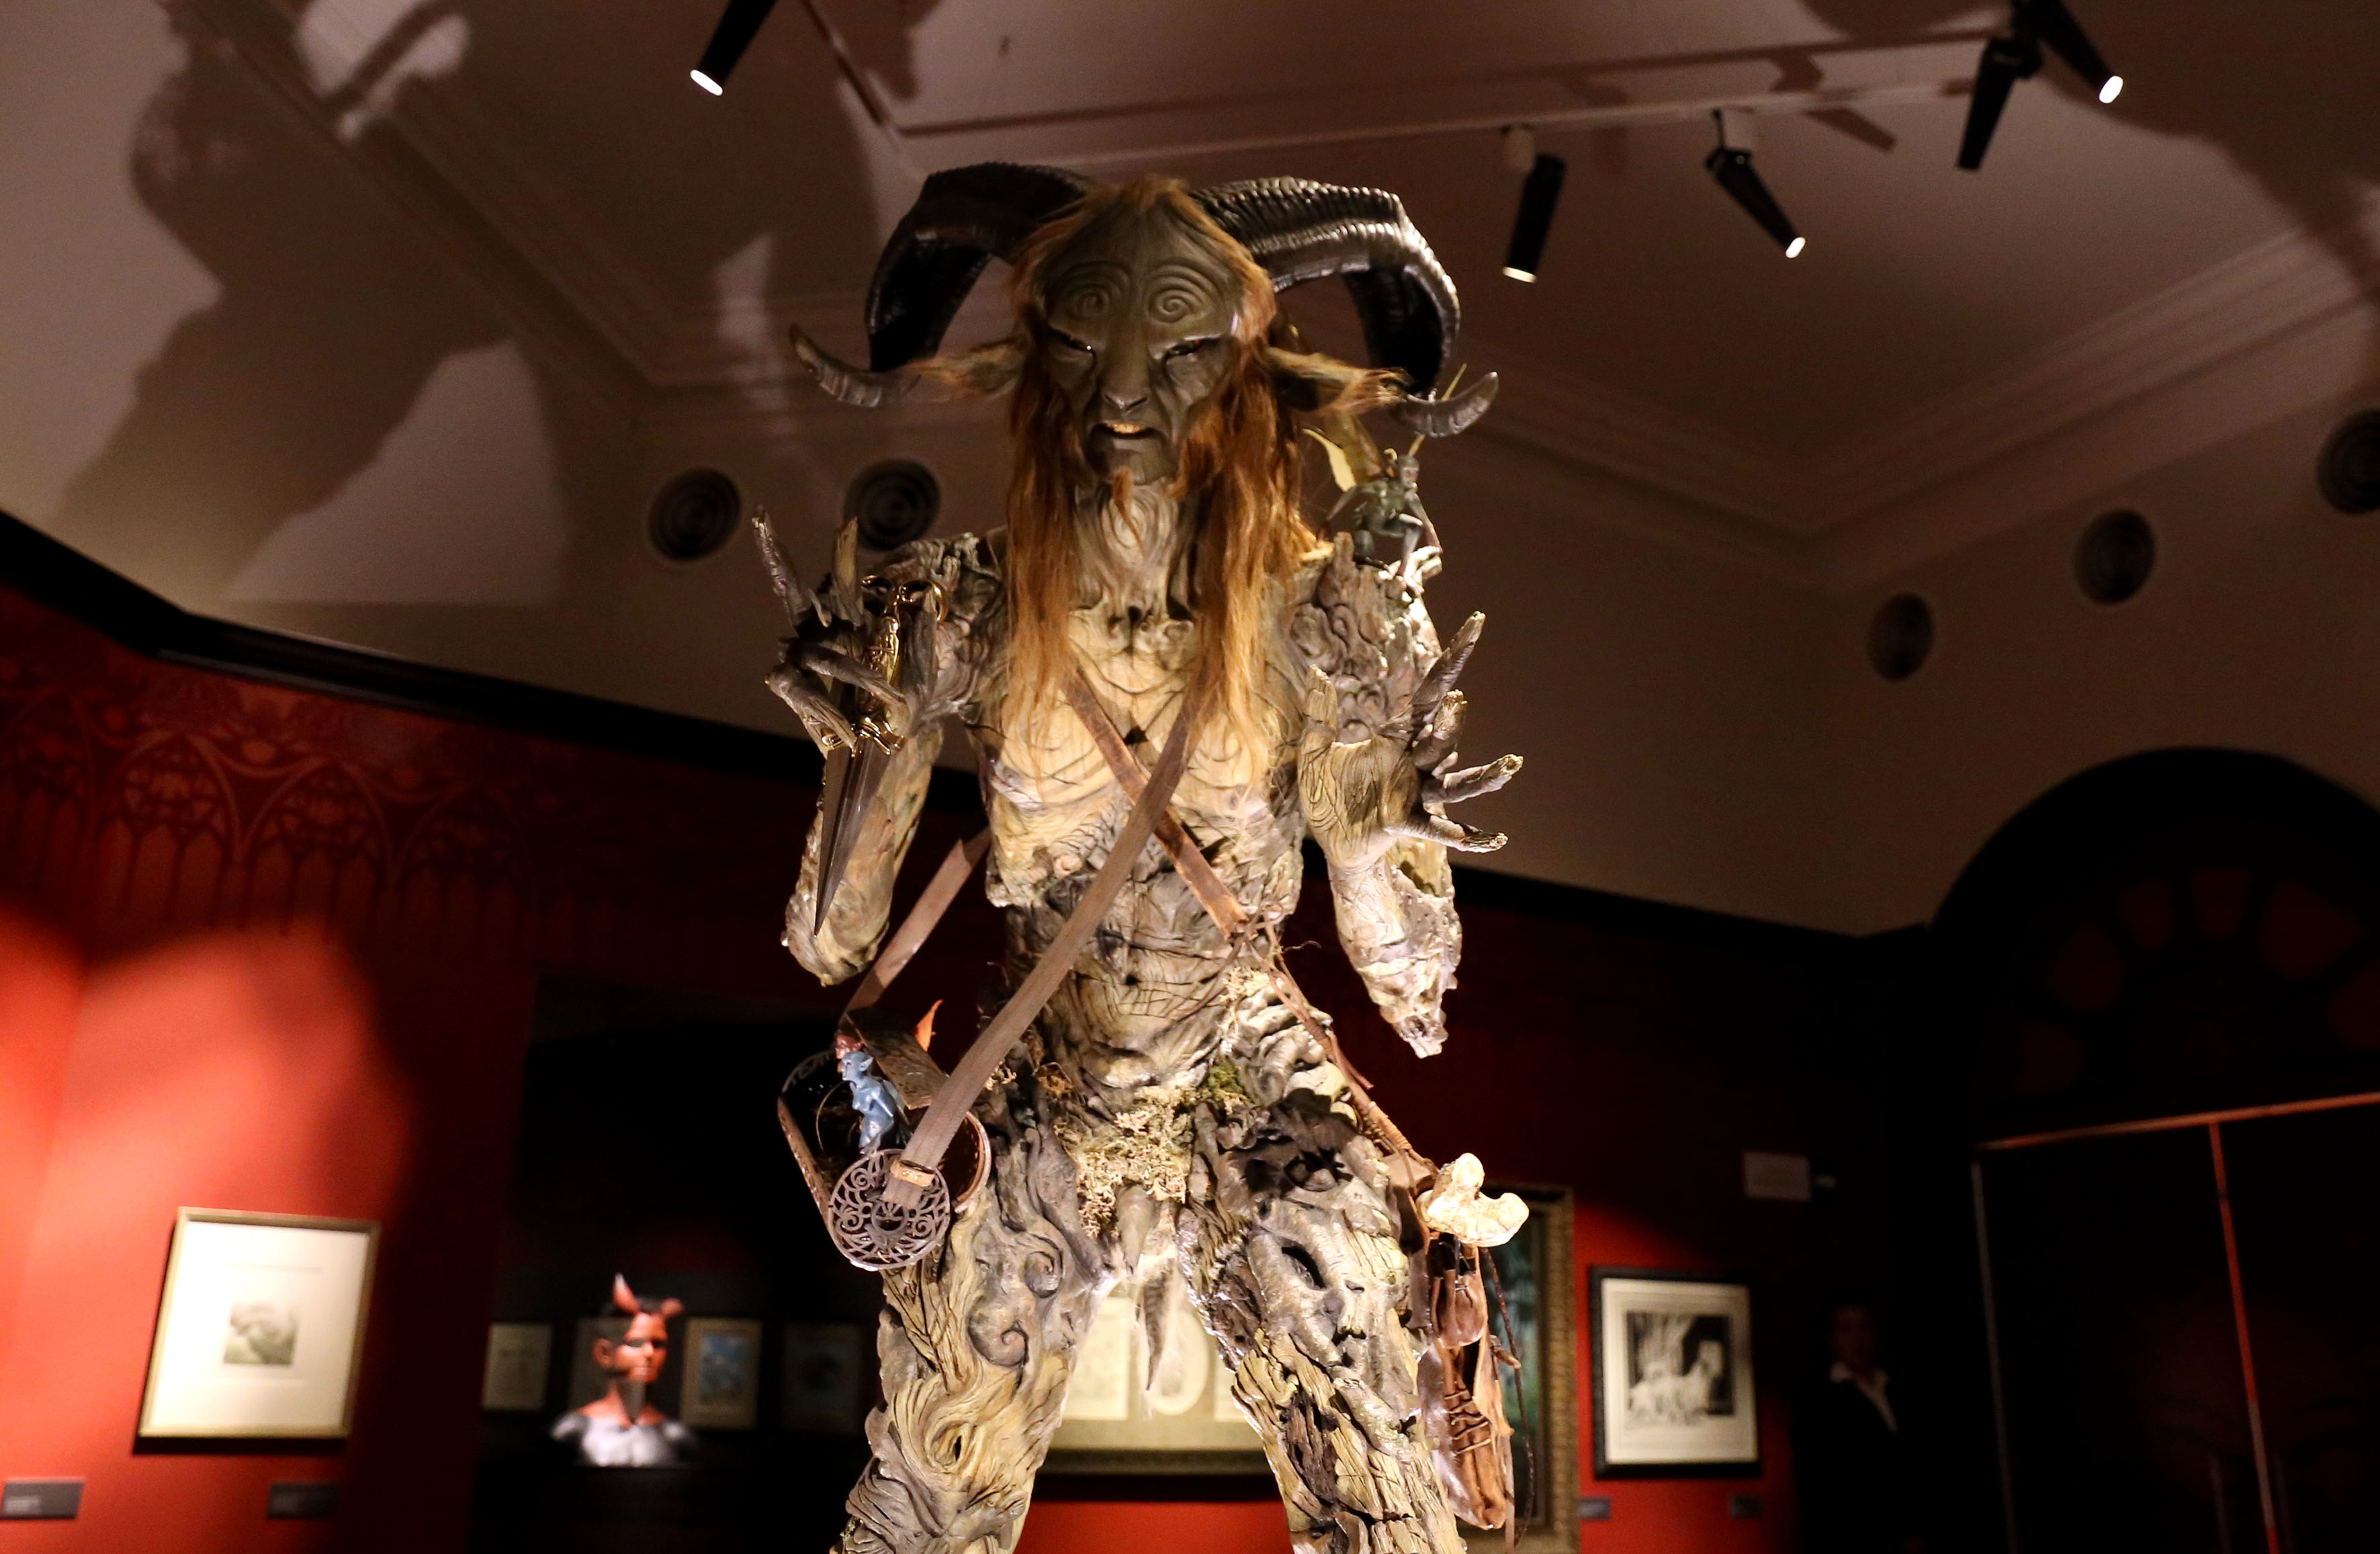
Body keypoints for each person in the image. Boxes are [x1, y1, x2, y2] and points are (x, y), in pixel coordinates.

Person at [767, 167, 1517, 1554]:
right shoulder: (962, 603)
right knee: (931, 1483)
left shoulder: (1321, 618)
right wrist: (866, 732)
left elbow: (1410, 978)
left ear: (1243, 370)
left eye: (1177, 349)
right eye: (1078, 342)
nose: (1122, 391)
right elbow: (831, 934)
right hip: (1033, 1073)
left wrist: (1380, 799)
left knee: (1379, 1475)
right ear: (1032, 361)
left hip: (1251, 1067)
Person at [1799, 1300, 1924, 1554]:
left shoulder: (1896, 1389)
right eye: (1846, 1329)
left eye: (1864, 1327)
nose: (1858, 1339)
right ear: (1832, 1339)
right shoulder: (1821, 1401)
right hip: (1858, 1536)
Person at [551, 1275, 693, 1468]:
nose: (649, 1353)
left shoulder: (676, 1436)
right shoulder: (572, 1431)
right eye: (635, 1343)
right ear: (605, 1353)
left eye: (658, 1344)